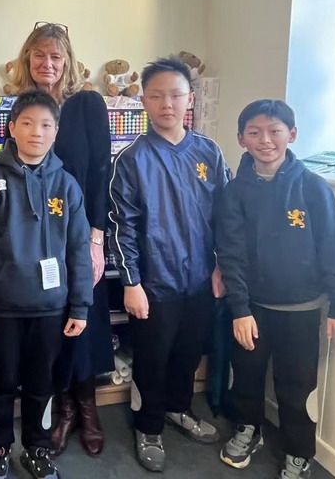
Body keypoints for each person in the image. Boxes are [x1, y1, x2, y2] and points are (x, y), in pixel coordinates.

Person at [215, 100, 335, 479]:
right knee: (246, 375)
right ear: (241, 139)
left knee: (297, 386)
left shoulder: (313, 187)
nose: (265, 140)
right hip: (252, 308)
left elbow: (333, 248)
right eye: (255, 132)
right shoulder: (234, 192)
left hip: (302, 310)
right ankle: (248, 428)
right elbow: (231, 254)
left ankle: (299, 452)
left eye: (275, 131)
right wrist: (240, 309)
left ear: (291, 135)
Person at [0, 92, 93, 479]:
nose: (37, 132)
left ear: (56, 132)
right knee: (0, 383)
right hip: (2, 308)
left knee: (42, 384)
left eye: (46, 125)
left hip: (52, 309)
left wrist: (80, 305)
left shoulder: (67, 185)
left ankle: (38, 448)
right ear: (12, 128)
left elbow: (79, 249)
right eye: (28, 123)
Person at [108, 56, 229, 473]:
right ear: (143, 101)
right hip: (153, 283)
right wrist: (131, 283)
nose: (167, 104)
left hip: (200, 279)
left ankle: (179, 409)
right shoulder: (131, 160)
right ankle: (148, 426)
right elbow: (122, 226)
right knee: (152, 358)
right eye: (157, 96)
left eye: (175, 95)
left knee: (188, 353)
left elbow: (225, 218)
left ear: (190, 99)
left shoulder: (209, 152)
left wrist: (221, 266)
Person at [6, 22, 113, 457]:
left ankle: (87, 409)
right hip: (36, 237)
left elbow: (101, 171)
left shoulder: (87, 103)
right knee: (51, 325)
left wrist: (96, 241)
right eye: (39, 55)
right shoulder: (22, 107)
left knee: (84, 320)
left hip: (80, 233)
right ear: (27, 59)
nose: (47, 63)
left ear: (68, 61)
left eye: (56, 56)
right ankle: (63, 408)